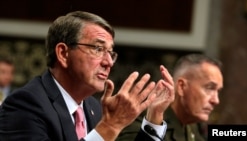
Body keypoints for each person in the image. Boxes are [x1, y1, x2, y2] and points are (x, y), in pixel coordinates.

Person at [0, 11, 174, 141]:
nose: (109, 62)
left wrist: (154, 117)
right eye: (98, 49)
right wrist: (110, 126)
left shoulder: (93, 108)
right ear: (63, 54)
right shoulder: (25, 104)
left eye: (110, 53)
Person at [117, 53, 223, 141]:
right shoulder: (144, 126)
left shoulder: (192, 127)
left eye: (218, 91)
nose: (216, 100)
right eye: (209, 88)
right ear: (181, 87)